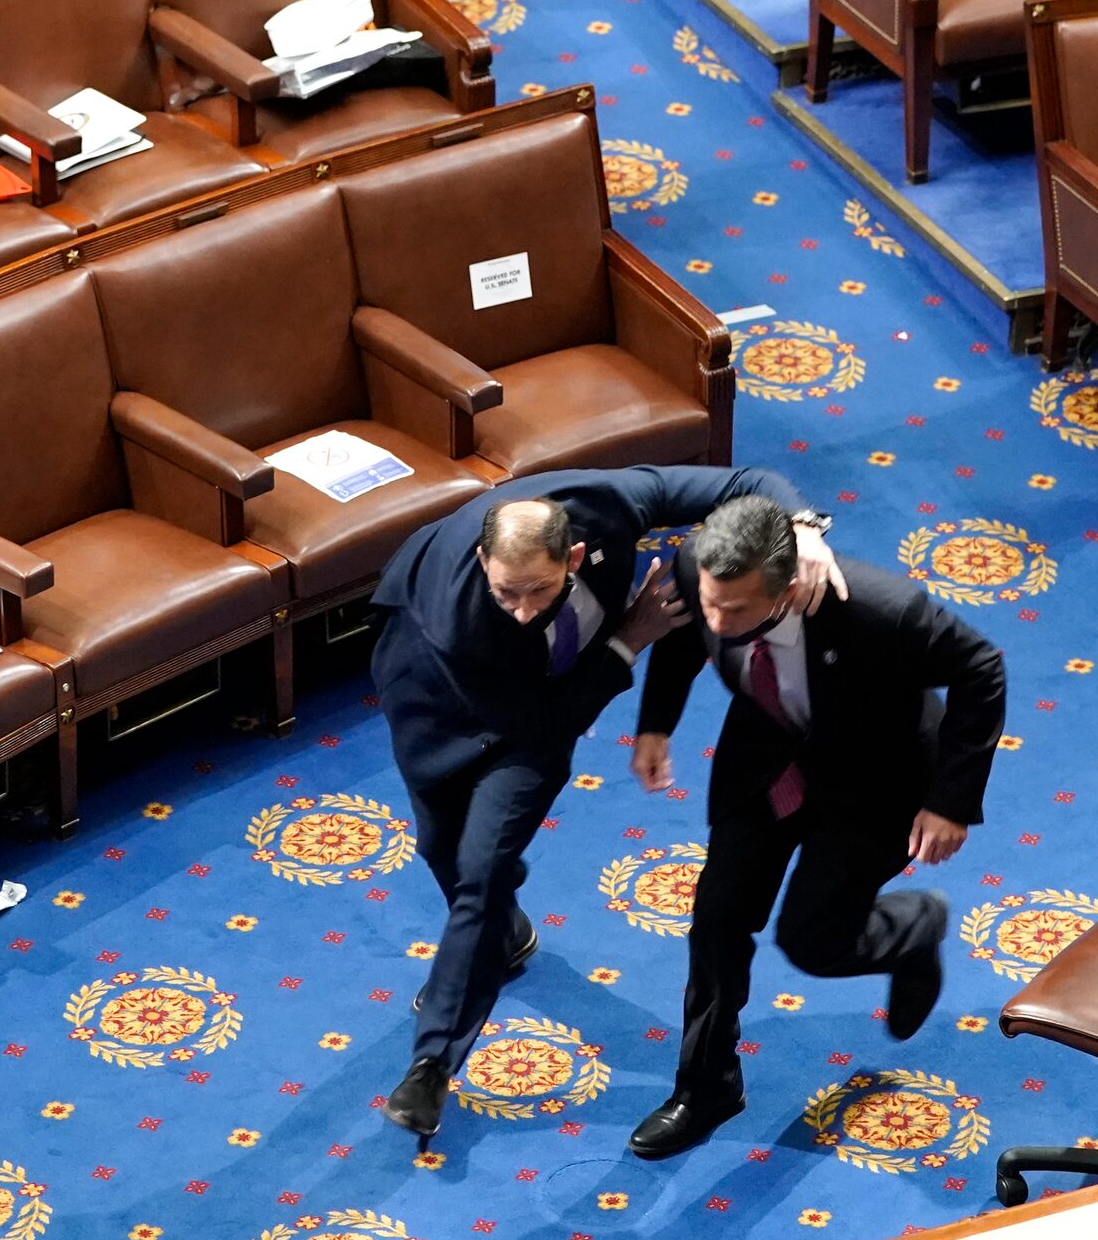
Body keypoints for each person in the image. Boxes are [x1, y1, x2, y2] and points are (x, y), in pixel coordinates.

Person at [369, 465, 841, 1145]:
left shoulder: (610, 502)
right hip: (434, 698)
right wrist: (629, 638)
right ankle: (501, 940)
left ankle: (430, 1064)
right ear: (481, 561)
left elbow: (749, 478)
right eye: (507, 592)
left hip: (532, 734)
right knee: (440, 848)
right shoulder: (462, 618)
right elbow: (544, 716)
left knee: (481, 869)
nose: (525, 608)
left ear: (573, 555)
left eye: (538, 589)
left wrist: (803, 528)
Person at [622, 495, 1006, 1160]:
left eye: (736, 611)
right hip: (767, 763)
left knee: (812, 942)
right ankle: (706, 1085)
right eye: (711, 602)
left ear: (786, 588)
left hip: (873, 784)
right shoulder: (703, 573)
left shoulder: (882, 611)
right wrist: (656, 722)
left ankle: (913, 928)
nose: (719, 619)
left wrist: (950, 800)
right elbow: (687, 632)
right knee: (715, 920)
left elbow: (981, 669)